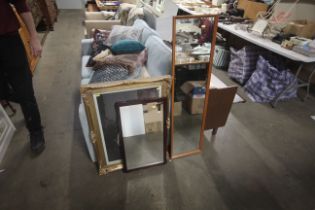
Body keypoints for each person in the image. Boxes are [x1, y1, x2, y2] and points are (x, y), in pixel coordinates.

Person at [0, 0, 45, 154]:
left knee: (24, 89)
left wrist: (34, 37)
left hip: (7, 42)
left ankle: (35, 131)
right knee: (3, 92)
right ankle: (24, 100)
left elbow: (22, 6)